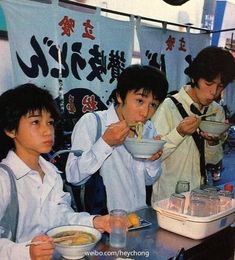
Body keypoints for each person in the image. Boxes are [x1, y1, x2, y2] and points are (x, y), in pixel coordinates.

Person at [0, 84, 111, 260]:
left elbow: (60, 216)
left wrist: (94, 221)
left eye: (50, 122)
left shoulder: (51, 172)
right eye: (35, 122)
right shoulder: (4, 179)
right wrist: (26, 252)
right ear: (10, 130)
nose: (47, 131)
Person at [65, 64, 169, 212]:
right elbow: (73, 176)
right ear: (120, 96)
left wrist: (153, 161)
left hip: (139, 219)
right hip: (105, 223)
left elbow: (147, 180)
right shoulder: (93, 122)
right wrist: (105, 142)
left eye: (153, 104)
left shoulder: (148, 128)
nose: (145, 112)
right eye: (140, 101)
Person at [151, 46, 235, 202]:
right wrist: (179, 133)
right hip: (169, 199)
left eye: (220, 86)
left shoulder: (217, 111)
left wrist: (212, 142)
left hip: (200, 197)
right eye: (209, 83)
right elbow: (153, 157)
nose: (213, 92)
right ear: (194, 78)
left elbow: (212, 160)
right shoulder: (167, 107)